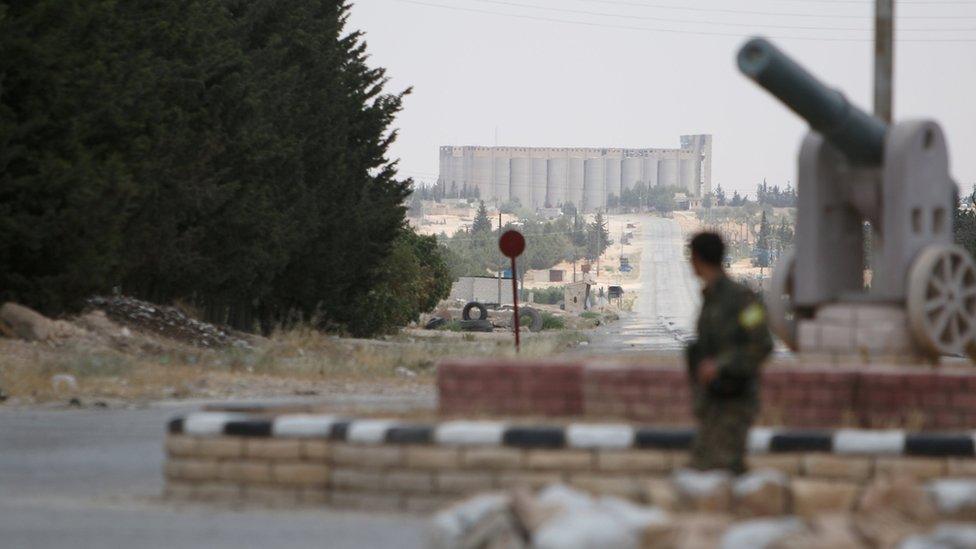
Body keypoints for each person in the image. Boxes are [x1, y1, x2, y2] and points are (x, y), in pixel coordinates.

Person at [686, 232, 773, 474]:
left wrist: (721, 365)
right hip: (713, 399)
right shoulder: (711, 298)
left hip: (735, 400)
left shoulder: (741, 299)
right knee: (704, 468)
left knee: (724, 470)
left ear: (696, 258)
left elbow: (762, 343)